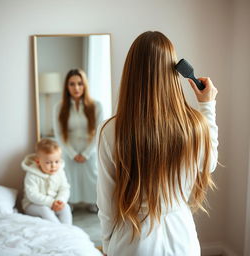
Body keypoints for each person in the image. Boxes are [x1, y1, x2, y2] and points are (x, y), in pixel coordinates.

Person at [96, 31, 218, 256]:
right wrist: (207, 106)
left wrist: (107, 244)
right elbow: (208, 164)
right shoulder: (194, 125)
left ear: (131, 72)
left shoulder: (111, 130)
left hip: (132, 241)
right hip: (183, 240)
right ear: (173, 71)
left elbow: (107, 204)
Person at [53, 69, 103, 212]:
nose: (76, 88)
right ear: (66, 87)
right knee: (69, 177)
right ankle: (70, 202)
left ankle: (93, 202)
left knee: (92, 176)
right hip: (69, 150)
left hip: (90, 148)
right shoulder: (59, 107)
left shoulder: (96, 106)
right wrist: (72, 153)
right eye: (72, 84)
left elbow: (99, 132)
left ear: (85, 85)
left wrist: (86, 153)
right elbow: (59, 134)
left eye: (80, 84)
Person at [22, 138, 72, 224]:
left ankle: (68, 230)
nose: (53, 166)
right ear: (38, 162)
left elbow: (64, 188)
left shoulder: (60, 171)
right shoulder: (32, 174)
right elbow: (32, 195)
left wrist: (60, 200)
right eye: (48, 162)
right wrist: (51, 202)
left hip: (55, 202)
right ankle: (58, 230)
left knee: (66, 207)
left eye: (56, 161)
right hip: (33, 205)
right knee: (44, 210)